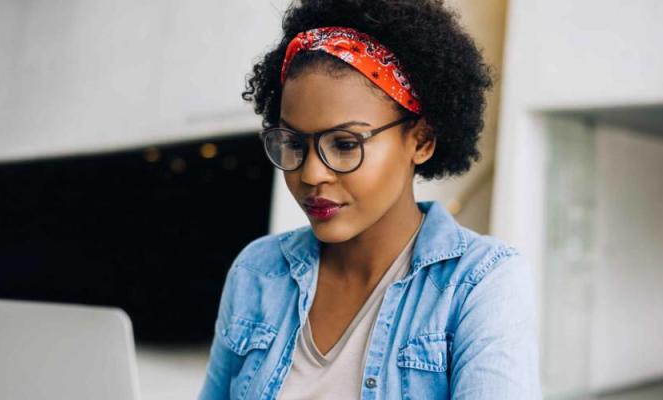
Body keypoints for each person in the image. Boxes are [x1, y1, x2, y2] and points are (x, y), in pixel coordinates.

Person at [199, 0, 539, 398]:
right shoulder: (258, 271)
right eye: (293, 143)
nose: (310, 174)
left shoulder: (479, 284)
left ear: (422, 140)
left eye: (344, 144)